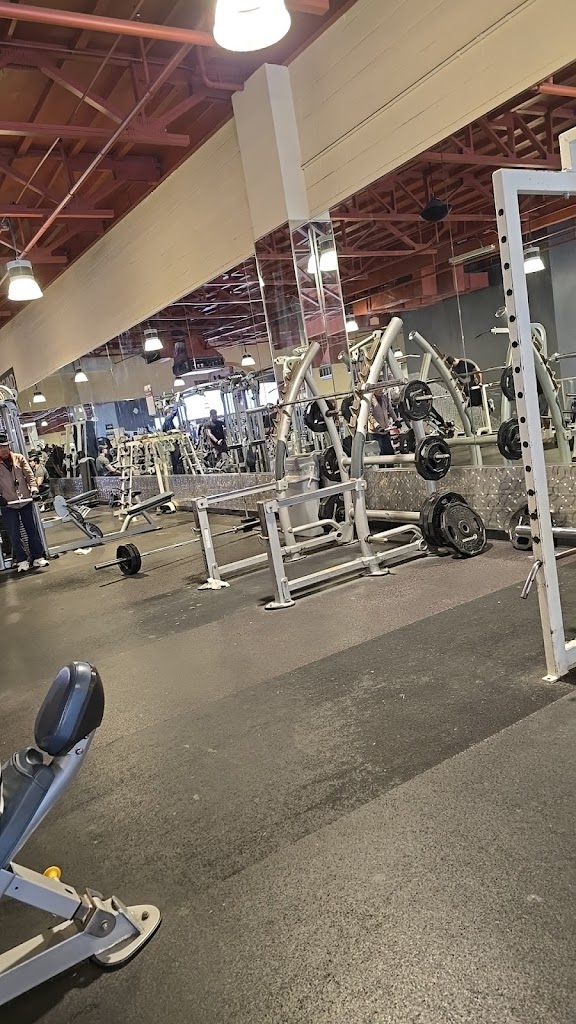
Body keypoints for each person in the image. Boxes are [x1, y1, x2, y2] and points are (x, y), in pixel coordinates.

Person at [0, 433, 48, 572]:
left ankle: (38, 557)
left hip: (25, 500)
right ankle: (21, 560)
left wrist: (34, 490)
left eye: (5, 446)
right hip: (8, 504)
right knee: (14, 534)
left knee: (31, 530)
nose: (3, 449)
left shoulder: (19, 458)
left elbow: (30, 476)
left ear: (8, 446)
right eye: (0, 447)